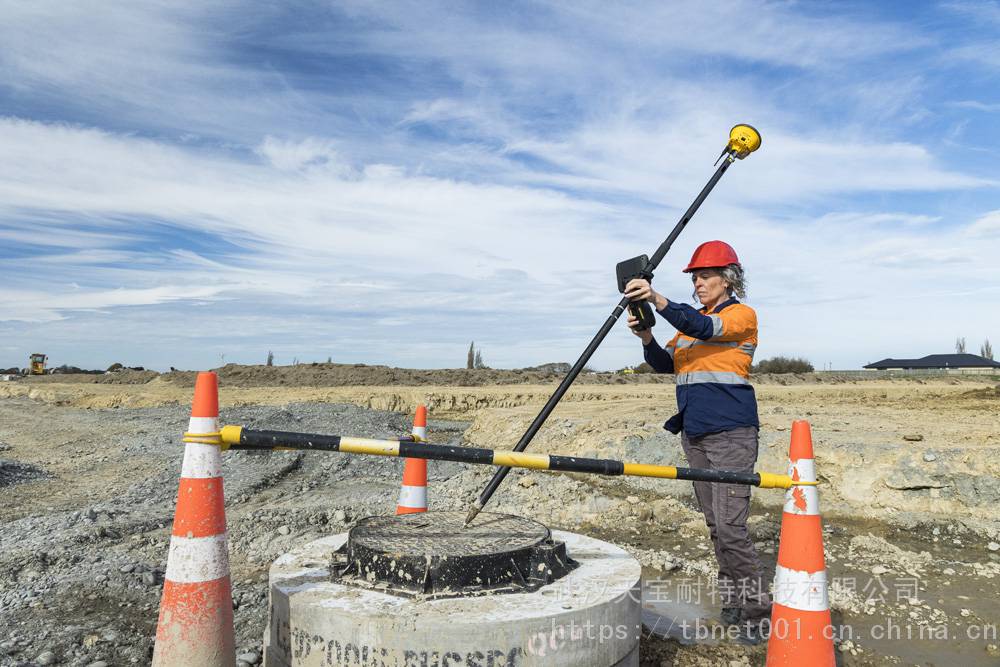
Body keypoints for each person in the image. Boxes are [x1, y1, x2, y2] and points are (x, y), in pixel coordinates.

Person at [624, 239, 771, 637]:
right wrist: (646, 337)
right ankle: (732, 604)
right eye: (695, 278)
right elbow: (664, 364)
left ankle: (759, 615)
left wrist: (656, 297)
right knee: (715, 526)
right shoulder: (689, 326)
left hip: (731, 434)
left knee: (731, 528)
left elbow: (702, 326)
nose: (699, 283)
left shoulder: (740, 315)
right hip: (697, 435)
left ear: (728, 279)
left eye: (705, 276)